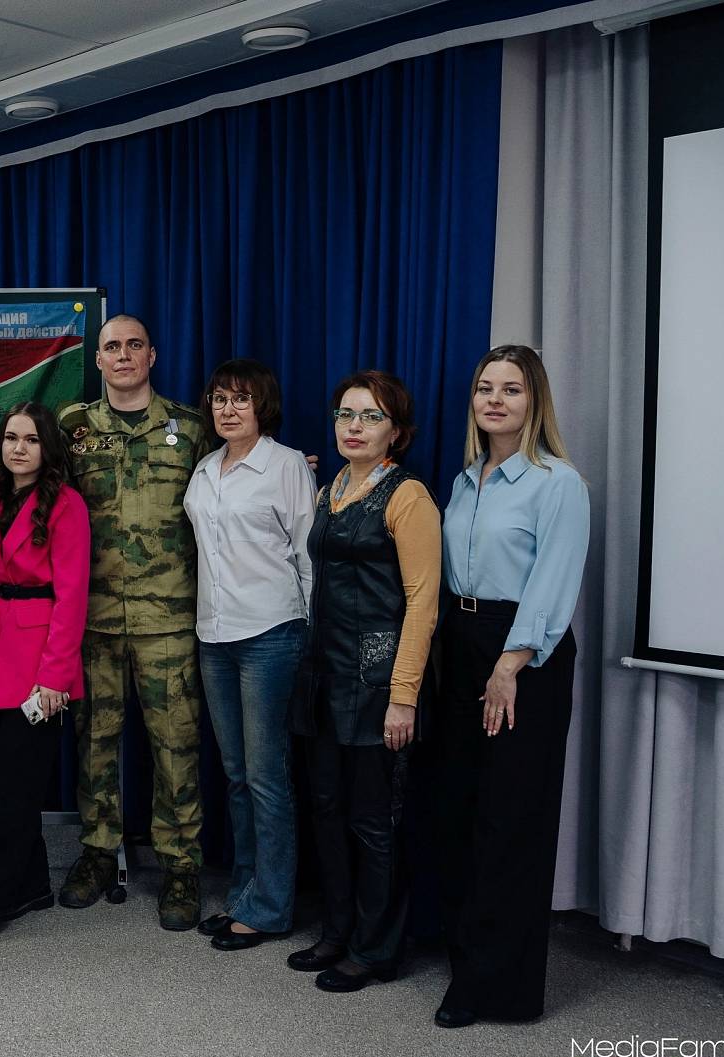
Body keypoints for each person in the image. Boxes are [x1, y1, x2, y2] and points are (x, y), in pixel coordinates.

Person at [434, 345, 590, 1028]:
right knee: (463, 808)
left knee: (512, 820)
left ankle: (498, 987)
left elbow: (554, 579)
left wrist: (509, 665)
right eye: (485, 388)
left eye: (512, 389)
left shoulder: (558, 482)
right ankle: (468, 957)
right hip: (463, 641)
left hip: (525, 655)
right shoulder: (467, 480)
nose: (495, 400)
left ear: (535, 401)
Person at [288, 370, 441, 992]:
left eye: (370, 416)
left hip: (378, 679)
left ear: (396, 431)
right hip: (324, 675)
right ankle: (338, 929)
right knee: (326, 809)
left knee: (373, 820)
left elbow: (423, 603)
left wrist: (404, 697)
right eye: (345, 415)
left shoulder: (410, 497)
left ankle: (377, 948)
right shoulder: (331, 488)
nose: (354, 427)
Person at [57, 314, 210, 931]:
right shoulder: (72, 428)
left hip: (168, 619)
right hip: (93, 619)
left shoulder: (192, 428)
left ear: (153, 355)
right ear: (98, 360)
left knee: (176, 747)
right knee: (94, 744)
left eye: (134, 345)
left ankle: (181, 865)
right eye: (112, 346)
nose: (123, 355)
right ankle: (98, 852)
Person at [183, 360, 316, 951]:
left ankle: (271, 906)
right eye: (219, 399)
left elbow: (308, 554)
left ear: (263, 405)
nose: (228, 409)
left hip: (271, 633)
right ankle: (244, 893)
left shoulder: (286, 466)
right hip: (214, 635)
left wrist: (312, 635)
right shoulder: (205, 468)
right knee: (236, 776)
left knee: (266, 778)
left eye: (241, 399)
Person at [0, 403, 90, 952]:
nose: (19, 448)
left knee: (12, 785)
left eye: (31, 439)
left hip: (39, 663)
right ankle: (31, 883)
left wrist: (55, 677)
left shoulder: (67, 504)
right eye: (11, 438)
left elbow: (72, 597)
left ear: (47, 446)